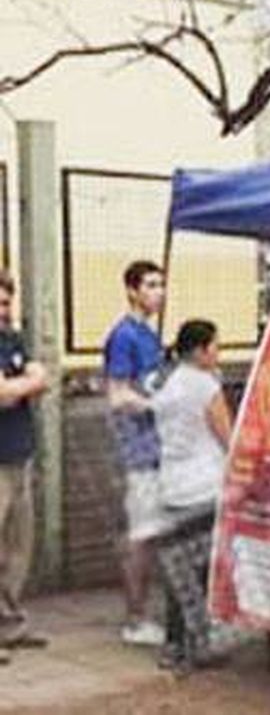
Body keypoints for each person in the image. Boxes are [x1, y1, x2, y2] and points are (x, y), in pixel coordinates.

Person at [151, 319, 231, 673]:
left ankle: (174, 643)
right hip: (203, 487)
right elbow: (228, 436)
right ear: (200, 351)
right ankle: (196, 645)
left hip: (171, 486)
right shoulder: (205, 386)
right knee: (198, 571)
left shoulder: (166, 380)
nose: (219, 353)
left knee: (176, 572)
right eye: (216, 346)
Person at [103, 260, 169, 647]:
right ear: (131, 290)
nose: (158, 292)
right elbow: (117, 394)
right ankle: (135, 618)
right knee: (140, 536)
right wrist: (157, 404)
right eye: (150, 285)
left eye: (160, 284)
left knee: (154, 533)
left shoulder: (150, 335)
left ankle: (146, 611)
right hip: (137, 452)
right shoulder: (125, 336)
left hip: (159, 449)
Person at [0, 270, 48, 659]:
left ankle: (10, 624)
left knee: (18, 547)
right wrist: (22, 384)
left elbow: (41, 375)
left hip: (19, 453)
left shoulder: (12, 338)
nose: (5, 309)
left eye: (8, 301)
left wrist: (21, 384)